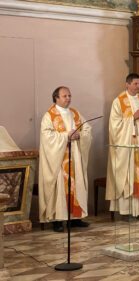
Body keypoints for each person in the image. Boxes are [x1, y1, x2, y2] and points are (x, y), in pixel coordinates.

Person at [38, 86, 92, 232]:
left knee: (76, 184)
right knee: (59, 187)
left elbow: (87, 128)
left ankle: (74, 219)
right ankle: (57, 220)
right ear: (56, 98)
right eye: (65, 96)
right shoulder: (49, 116)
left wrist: (80, 135)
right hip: (58, 159)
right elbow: (47, 137)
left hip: (74, 155)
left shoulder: (75, 113)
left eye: (69, 95)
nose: (68, 98)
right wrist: (66, 136)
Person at [106, 73, 139, 217]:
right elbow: (114, 126)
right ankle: (126, 211)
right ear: (127, 84)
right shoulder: (118, 102)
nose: (138, 86)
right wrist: (133, 118)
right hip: (126, 146)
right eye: (135, 84)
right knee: (127, 175)